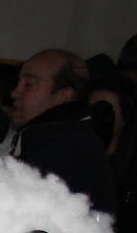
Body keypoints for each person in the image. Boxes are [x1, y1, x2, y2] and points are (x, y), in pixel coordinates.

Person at [10, 48, 115, 211]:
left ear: (63, 95)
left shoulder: (68, 150)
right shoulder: (49, 137)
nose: (15, 92)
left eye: (29, 84)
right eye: (18, 83)